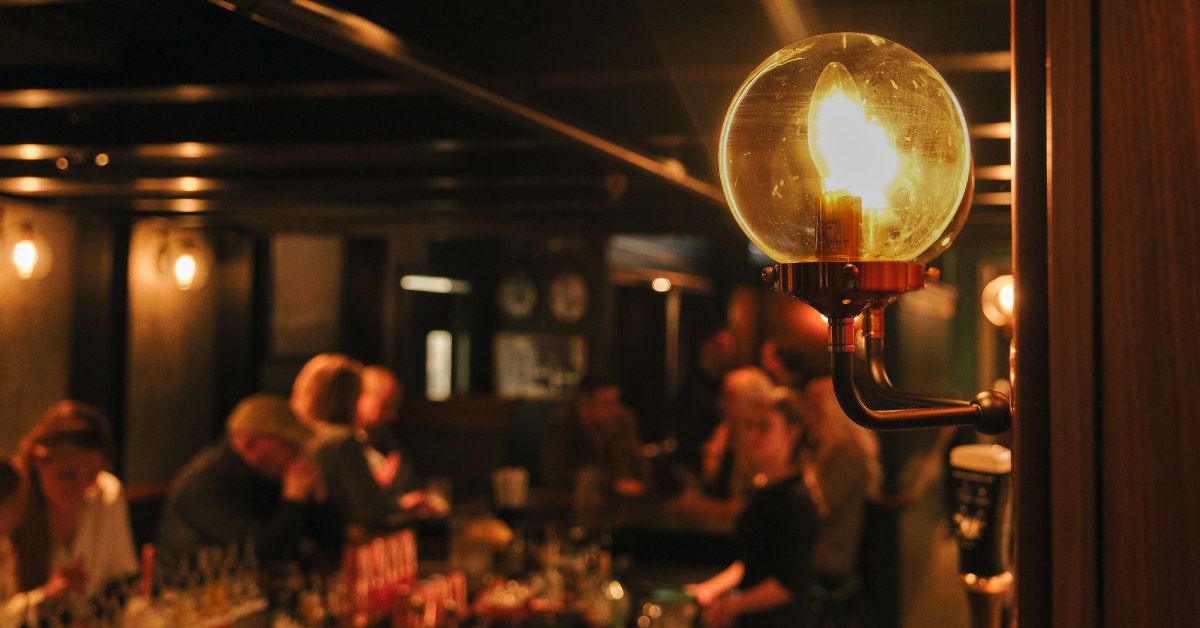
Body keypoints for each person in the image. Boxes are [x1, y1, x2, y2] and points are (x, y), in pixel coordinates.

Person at [155, 393, 337, 575]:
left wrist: (318, 500)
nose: (298, 453)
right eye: (289, 444)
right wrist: (294, 500)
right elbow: (261, 553)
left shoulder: (263, 475)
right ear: (248, 444)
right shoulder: (205, 484)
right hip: (196, 594)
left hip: (249, 593)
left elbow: (326, 540)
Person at [686, 387, 821, 628]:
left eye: (765, 427)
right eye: (749, 426)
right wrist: (710, 589)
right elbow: (752, 561)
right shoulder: (761, 487)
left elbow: (787, 584)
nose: (753, 435)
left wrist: (732, 605)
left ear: (792, 432)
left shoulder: (796, 499)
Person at [10, 400, 138, 605]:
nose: (82, 489)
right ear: (37, 462)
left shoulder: (107, 494)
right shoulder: (10, 509)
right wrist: (44, 596)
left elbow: (123, 578)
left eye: (91, 475)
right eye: (67, 475)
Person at [803, 376, 883, 627]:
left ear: (827, 410)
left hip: (829, 558)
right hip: (821, 553)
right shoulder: (826, 449)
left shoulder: (847, 454)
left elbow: (820, 506)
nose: (807, 415)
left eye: (812, 407)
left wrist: (802, 473)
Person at [291, 353, 400, 532]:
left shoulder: (301, 437)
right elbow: (370, 510)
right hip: (340, 546)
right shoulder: (342, 441)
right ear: (350, 397)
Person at [355, 365, 446, 517]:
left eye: (395, 406)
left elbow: (410, 485)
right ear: (361, 396)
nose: (392, 415)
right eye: (386, 405)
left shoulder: (389, 441)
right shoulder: (343, 445)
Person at [539, 373, 646, 498]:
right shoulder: (560, 426)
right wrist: (612, 485)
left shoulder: (623, 421)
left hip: (620, 504)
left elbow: (637, 466)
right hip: (570, 505)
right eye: (606, 403)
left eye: (616, 402)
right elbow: (555, 478)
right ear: (583, 406)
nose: (615, 410)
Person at [670, 328, 738, 477]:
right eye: (724, 346)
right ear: (707, 347)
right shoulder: (692, 393)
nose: (731, 352)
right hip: (696, 474)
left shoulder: (724, 385)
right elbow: (687, 444)